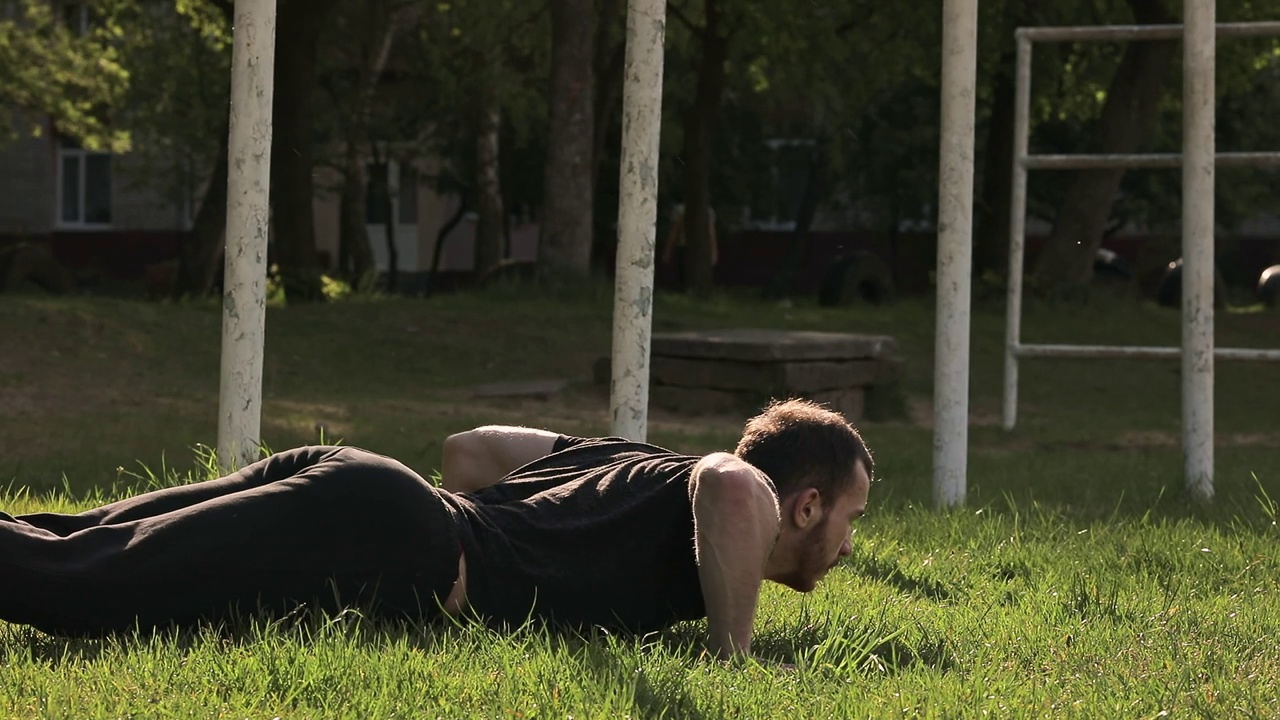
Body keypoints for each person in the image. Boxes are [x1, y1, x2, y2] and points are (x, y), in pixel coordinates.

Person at [0, 398, 872, 661]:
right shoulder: (729, 484)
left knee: (77, 540)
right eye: (849, 518)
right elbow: (727, 485)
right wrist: (732, 654)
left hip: (365, 489)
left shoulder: (625, 460)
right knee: (84, 588)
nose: (848, 544)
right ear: (803, 504)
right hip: (390, 534)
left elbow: (471, 450)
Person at [661, 202, 718, 290]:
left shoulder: (707, 211)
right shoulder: (682, 210)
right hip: (685, 247)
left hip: (692, 247)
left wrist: (714, 252)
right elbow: (675, 231)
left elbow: (711, 233)